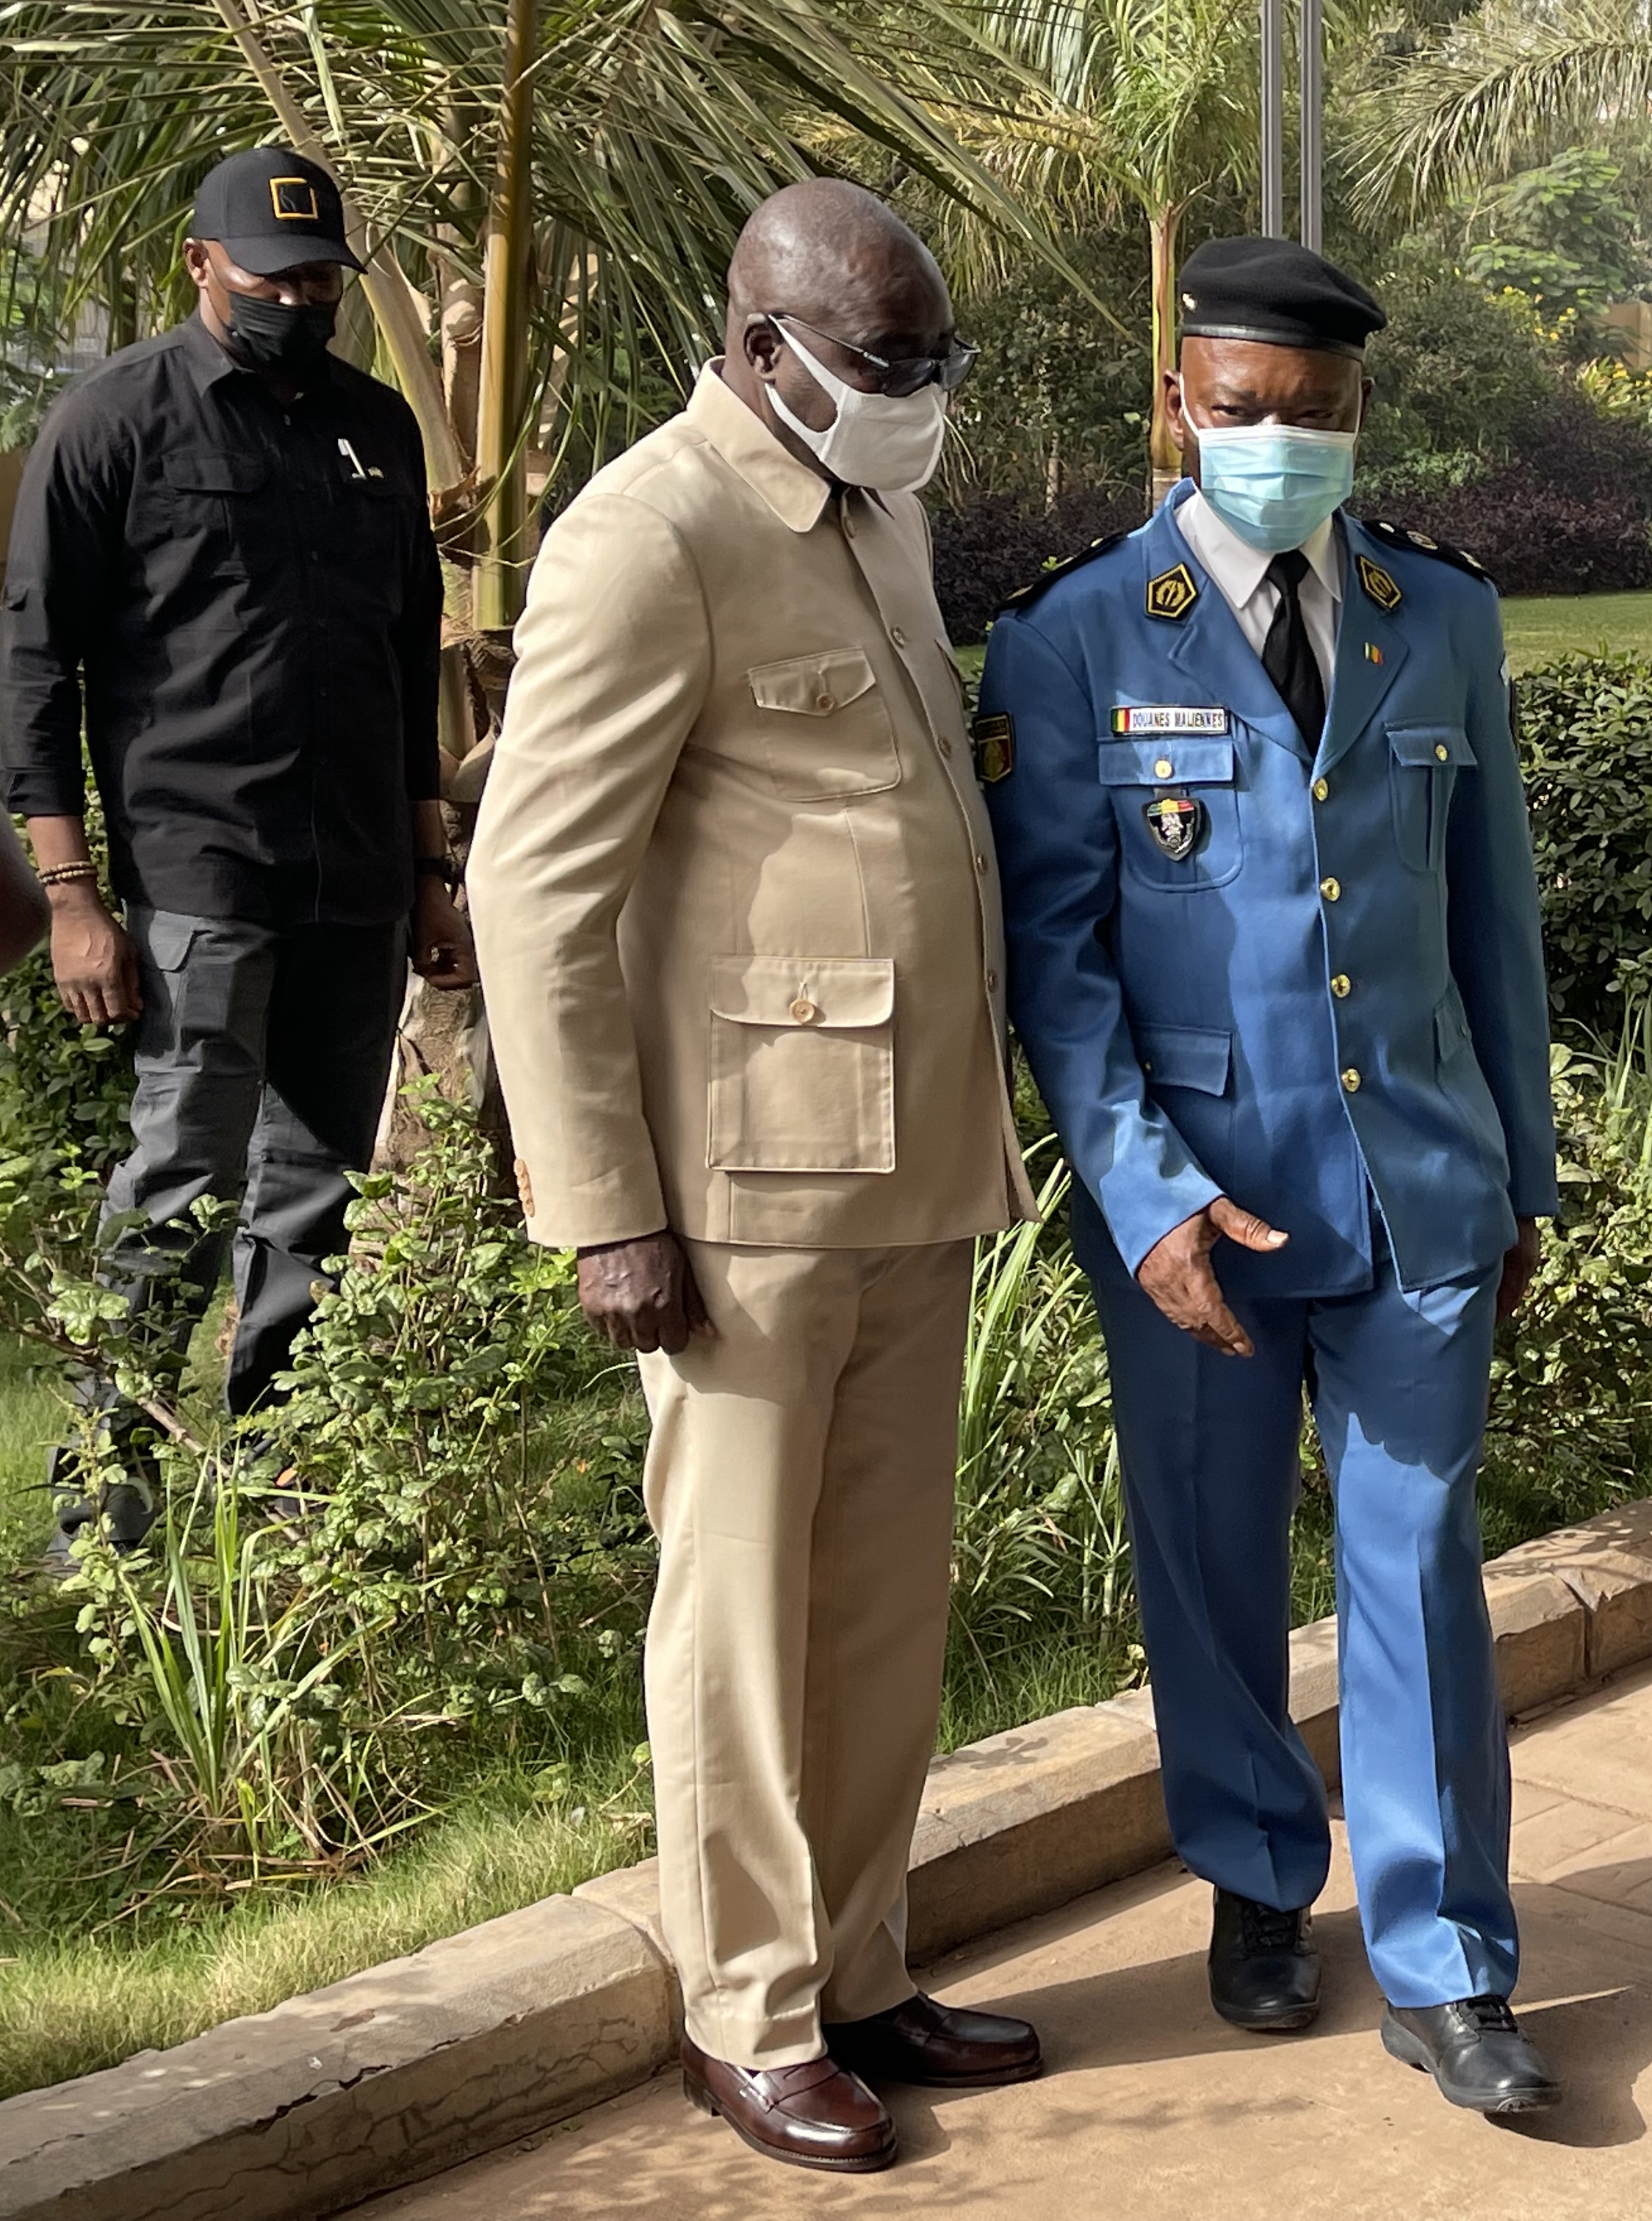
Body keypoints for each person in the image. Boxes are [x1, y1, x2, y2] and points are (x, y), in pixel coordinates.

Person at [469, 179, 1045, 2177]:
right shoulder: (651, 533)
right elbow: (534, 889)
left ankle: (860, 1967)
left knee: (879, 1608)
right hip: (737, 1193)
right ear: (763, 347)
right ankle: (749, 2012)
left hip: (907, 1160)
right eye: (888, 361)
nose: (920, 394)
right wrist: (606, 1207)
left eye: (936, 359)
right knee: (735, 1617)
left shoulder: (873, 507)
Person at [979, 236, 1562, 2117]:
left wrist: (1526, 1174)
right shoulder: (1076, 636)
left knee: (1420, 1564)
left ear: (1359, 412)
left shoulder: (1436, 615)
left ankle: (1446, 1959)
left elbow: (1493, 924)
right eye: (1245, 409)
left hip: (1414, 1188)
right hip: (1201, 1208)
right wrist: (1142, 1196)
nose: (1282, 442)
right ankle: (1252, 1872)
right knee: (1212, 1559)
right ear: (1180, 403)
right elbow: (1059, 964)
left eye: (1318, 413)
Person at [0, 147, 475, 1553]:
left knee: (317, 1195)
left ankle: (284, 1503)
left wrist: (431, 875)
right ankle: (108, 1526)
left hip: (359, 884)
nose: (299, 302)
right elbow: (34, 670)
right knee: (178, 1189)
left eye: (321, 281)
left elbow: (408, 664)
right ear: (201, 264)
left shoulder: (378, 429)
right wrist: (72, 894)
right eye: (274, 281)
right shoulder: (114, 422)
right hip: (197, 881)